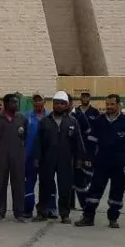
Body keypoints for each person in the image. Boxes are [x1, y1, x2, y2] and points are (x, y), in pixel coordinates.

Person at [76, 94, 125, 228]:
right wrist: (89, 158)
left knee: (117, 191)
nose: (109, 107)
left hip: (120, 162)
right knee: (94, 189)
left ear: (118, 105)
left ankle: (113, 218)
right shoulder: (99, 120)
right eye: (107, 104)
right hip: (101, 161)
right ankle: (88, 217)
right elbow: (91, 141)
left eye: (112, 104)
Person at [34, 91, 85, 223]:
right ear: (53, 104)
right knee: (45, 185)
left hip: (65, 159)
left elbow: (78, 141)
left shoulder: (72, 121)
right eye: (57, 103)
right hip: (47, 159)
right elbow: (38, 142)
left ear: (67, 105)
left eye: (62, 104)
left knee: (65, 187)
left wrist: (80, 158)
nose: (59, 106)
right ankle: (42, 212)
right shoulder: (45, 121)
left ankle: (64, 214)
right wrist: (37, 158)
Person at [0, 94, 29, 222]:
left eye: (17, 102)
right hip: (1, 154)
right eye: (13, 102)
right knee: (0, 183)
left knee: (19, 184)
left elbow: (25, 136)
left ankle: (19, 213)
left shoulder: (22, 118)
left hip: (17, 154)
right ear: (6, 104)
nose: (16, 104)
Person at [23, 94, 49, 218]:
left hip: (46, 156)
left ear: (44, 101)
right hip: (29, 156)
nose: (38, 102)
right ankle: (28, 209)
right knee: (29, 182)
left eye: (40, 100)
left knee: (47, 183)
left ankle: (49, 209)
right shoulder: (26, 116)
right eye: (35, 100)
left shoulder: (50, 116)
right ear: (32, 102)